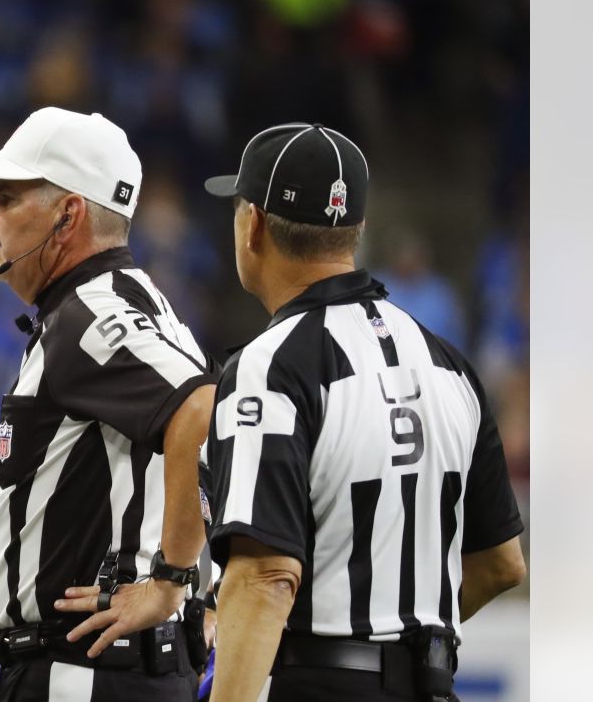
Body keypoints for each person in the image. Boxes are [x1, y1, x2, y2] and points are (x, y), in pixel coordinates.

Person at [200, 123, 527, 702]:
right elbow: (502, 564)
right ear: (357, 232)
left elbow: (265, 576)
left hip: (318, 682)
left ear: (252, 225)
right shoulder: (448, 362)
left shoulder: (269, 366)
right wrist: (403, 643)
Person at [0, 106, 217, 701]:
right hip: (109, 669)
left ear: (67, 214)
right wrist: (202, 588)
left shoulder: (88, 316)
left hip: (87, 674)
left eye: (8, 196)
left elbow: (203, 414)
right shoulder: (134, 305)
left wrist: (173, 581)